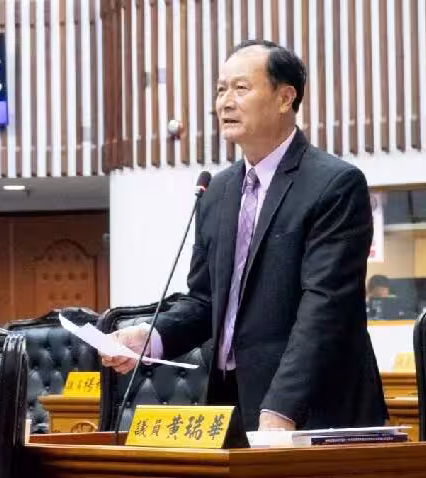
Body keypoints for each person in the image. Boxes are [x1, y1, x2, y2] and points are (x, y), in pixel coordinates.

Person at [101, 39, 387, 432]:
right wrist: (150, 338)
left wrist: (283, 407)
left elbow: (325, 307)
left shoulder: (333, 184)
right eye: (220, 90)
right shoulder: (217, 191)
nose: (225, 102)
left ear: (285, 98)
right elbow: (206, 300)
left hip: (312, 410)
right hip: (232, 403)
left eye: (241, 88)